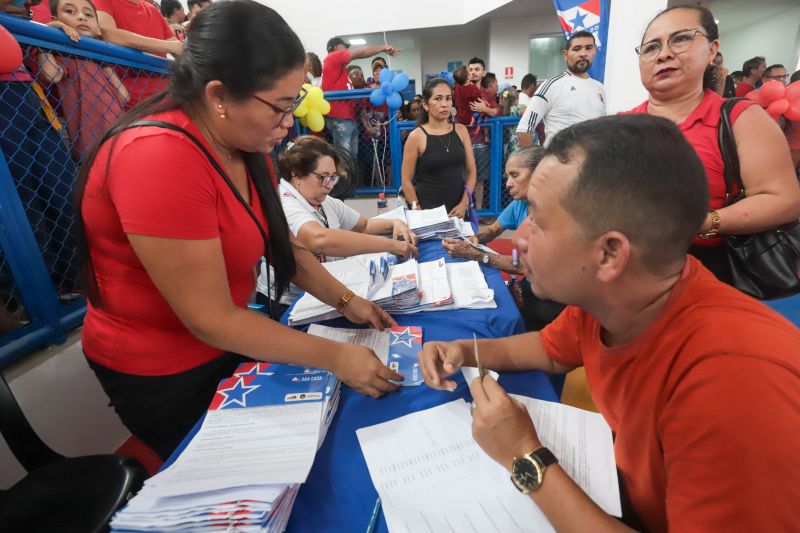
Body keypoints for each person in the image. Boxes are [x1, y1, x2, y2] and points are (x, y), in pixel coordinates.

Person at [419, 114, 800, 532]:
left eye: (539, 220)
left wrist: (523, 455)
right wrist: (465, 351)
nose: (521, 236)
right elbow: (548, 349)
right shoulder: (611, 299)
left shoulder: (731, 385)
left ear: (608, 255)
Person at [76, 0, 404, 460]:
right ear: (218, 96)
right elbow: (209, 317)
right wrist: (336, 356)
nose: (289, 122)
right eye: (281, 106)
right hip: (162, 368)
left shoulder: (242, 144)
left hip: (227, 340)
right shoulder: (157, 154)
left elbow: (282, 244)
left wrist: (347, 302)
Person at [623, 5, 800, 286]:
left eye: (681, 39)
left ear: (712, 50)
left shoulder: (741, 118)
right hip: (630, 268)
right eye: (651, 47)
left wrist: (705, 222)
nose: (664, 53)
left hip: (715, 270)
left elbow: (783, 201)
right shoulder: (620, 126)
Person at [256, 135, 418, 312]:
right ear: (296, 175)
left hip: (324, 294)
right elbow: (320, 240)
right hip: (288, 304)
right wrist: (390, 245)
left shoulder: (324, 201)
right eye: (323, 177)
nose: (330, 185)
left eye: (333, 177)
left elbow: (363, 226)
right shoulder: (285, 203)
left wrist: (394, 223)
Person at [441, 146, 564, 331]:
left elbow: (525, 266)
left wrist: (477, 254)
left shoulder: (557, 214)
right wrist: (471, 239)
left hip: (553, 303)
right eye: (508, 177)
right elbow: (493, 230)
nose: (508, 184)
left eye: (515, 175)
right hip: (531, 290)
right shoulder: (520, 204)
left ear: (540, 172)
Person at [36, 0, 129, 160]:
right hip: (90, 145)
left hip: (119, 133)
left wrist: (105, 64)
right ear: (56, 19)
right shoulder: (65, 53)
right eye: (70, 12)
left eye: (88, 14)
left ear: (98, 27)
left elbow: (123, 96)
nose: (81, 17)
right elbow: (52, 74)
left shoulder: (98, 58)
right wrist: (46, 38)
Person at [401, 77, 477, 218]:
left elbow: (472, 173)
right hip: (428, 212)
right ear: (425, 105)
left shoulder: (461, 131)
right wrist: (418, 211)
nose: (445, 104)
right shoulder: (416, 137)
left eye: (448, 99)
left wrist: (464, 204)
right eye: (438, 99)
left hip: (458, 213)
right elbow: (406, 181)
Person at [516, 30, 606, 148]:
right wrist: (535, 165)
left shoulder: (600, 88)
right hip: (560, 163)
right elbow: (524, 129)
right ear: (565, 54)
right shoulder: (552, 85)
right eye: (577, 49)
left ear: (595, 51)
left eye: (588, 48)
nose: (583, 53)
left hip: (594, 164)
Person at [93, 0, 183, 108]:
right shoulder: (104, 2)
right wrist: (168, 46)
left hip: (167, 99)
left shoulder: (153, 10)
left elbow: (179, 49)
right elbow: (109, 33)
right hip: (131, 105)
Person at [321, 37, 399, 161]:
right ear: (336, 48)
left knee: (351, 157)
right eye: (344, 46)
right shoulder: (333, 57)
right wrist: (383, 48)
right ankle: (346, 180)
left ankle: (350, 180)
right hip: (340, 117)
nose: (347, 49)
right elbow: (360, 53)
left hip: (347, 117)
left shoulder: (340, 69)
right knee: (345, 158)